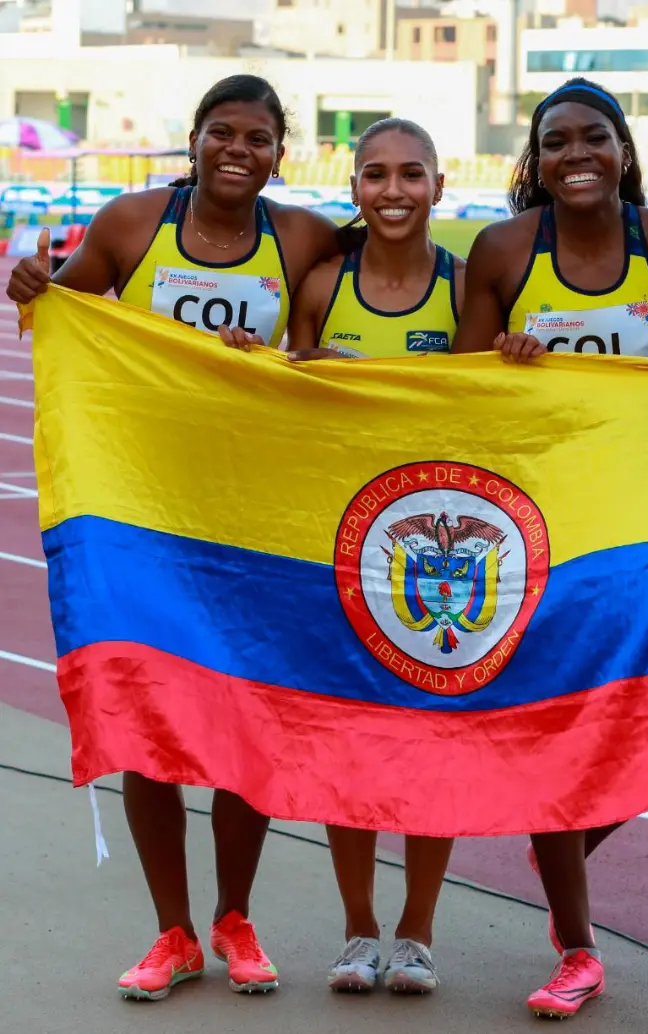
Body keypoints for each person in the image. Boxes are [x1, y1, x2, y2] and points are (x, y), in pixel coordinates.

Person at [6, 73, 338, 1001]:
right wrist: (34, 284)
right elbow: (61, 324)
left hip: (256, 518)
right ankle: (174, 931)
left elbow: (351, 322)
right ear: (193, 139)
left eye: (259, 138)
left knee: (246, 717)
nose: (239, 150)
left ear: (282, 152)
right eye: (222, 133)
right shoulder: (131, 225)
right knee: (148, 721)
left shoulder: (304, 238)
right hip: (143, 514)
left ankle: (236, 918)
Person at [451, 77, 648, 1019]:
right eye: (556, 142)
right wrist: (504, 371)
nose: (576, 155)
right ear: (536, 160)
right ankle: (576, 948)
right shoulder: (505, 251)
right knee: (550, 732)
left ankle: (570, 825)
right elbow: (463, 396)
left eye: (593, 138)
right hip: (545, 524)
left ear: (623, 148)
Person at [284, 117, 464, 995]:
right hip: (341, 543)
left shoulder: (465, 289)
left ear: (440, 185)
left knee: (433, 740)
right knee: (345, 738)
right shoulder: (325, 281)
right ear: (353, 187)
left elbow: (490, 414)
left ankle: (418, 931)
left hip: (441, 554)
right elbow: (289, 389)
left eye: (411, 175)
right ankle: (358, 929)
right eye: (375, 176)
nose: (393, 191)